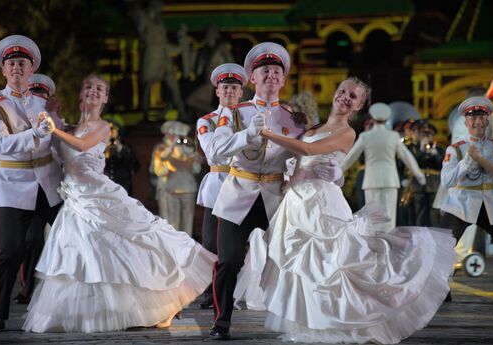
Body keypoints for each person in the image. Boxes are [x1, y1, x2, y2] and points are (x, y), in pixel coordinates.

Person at [239, 77, 456, 344]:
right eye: (342, 91)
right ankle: (315, 323)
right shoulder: (315, 126)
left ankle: (345, 319)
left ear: (359, 106)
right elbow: (301, 160)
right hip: (297, 204)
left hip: (322, 205)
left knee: (333, 264)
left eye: (353, 96)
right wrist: (290, 180)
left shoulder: (347, 132)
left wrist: (265, 133)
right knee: (305, 269)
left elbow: (309, 149)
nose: (345, 97)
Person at [22, 74, 215, 333]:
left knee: (132, 245)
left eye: (99, 89)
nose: (92, 91)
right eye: (88, 86)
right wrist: (51, 116)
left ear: (104, 99)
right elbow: (53, 145)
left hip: (98, 195)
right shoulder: (66, 128)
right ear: (80, 95)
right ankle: (101, 310)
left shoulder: (101, 127)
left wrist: (53, 128)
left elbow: (81, 145)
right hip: (76, 200)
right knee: (88, 257)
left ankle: (167, 298)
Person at [206, 42, 341, 340]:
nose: (271, 75)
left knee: (294, 259)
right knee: (228, 260)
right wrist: (247, 134)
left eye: (276, 71)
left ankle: (302, 319)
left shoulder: (294, 118)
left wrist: (330, 171)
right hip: (238, 194)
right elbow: (215, 153)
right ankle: (221, 322)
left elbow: (307, 156)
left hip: (277, 198)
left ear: (283, 79)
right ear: (252, 78)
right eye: (264, 70)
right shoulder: (233, 112)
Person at [0, 34, 63, 332]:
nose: (16, 68)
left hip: (49, 183)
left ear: (31, 70)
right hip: (13, 185)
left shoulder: (44, 100)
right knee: (11, 252)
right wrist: (37, 133)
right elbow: (2, 145)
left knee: (78, 236)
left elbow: (60, 136)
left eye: (22, 64)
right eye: (11, 63)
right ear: (3, 70)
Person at [195, 63, 247, 309]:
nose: (229, 92)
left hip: (246, 185)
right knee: (212, 244)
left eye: (234, 88)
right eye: (225, 87)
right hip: (219, 185)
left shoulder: (249, 117)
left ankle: (242, 290)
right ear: (217, 91)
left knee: (244, 244)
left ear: (241, 93)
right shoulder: (207, 121)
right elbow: (213, 154)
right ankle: (210, 292)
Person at [13, 73, 60, 306]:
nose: (37, 99)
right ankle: (27, 289)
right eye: (34, 94)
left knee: (70, 235)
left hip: (54, 190)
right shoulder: (18, 120)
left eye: (42, 96)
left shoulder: (55, 120)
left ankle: (70, 286)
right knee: (31, 240)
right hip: (30, 191)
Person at [341, 102, 426, 231]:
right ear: (386, 118)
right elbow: (407, 156)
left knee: (372, 218)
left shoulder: (365, 137)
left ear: (372, 119)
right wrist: (419, 174)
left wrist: (338, 170)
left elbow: (351, 157)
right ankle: (388, 246)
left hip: (371, 181)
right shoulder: (393, 136)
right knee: (389, 218)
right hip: (390, 180)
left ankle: (374, 247)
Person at [440, 96, 493, 253]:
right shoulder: (455, 149)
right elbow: (446, 181)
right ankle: (437, 277)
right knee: (442, 248)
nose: (477, 122)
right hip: (461, 203)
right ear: (466, 122)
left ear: (487, 121)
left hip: (491, 203)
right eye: (473, 118)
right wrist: (467, 162)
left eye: (481, 117)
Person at [150, 121, 201, 236]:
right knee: (171, 222)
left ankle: (187, 248)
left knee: (187, 222)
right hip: (170, 188)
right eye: (172, 135)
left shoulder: (189, 148)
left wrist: (192, 154)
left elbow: (196, 168)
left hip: (188, 188)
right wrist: (172, 147)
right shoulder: (161, 149)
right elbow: (158, 169)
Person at [105, 120, 140, 196]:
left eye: (113, 131)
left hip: (122, 186)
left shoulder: (126, 148)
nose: (110, 134)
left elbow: (135, 165)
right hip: (106, 186)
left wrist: (120, 148)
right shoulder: (102, 147)